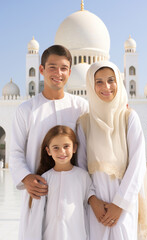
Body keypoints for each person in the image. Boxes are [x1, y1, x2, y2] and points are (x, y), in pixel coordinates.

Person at [9, 45, 88, 239]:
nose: (58, 73)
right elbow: (16, 151)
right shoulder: (26, 109)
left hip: (74, 194)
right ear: (42, 70)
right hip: (38, 191)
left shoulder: (80, 107)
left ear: (70, 72)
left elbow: (87, 150)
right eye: (52, 67)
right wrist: (26, 178)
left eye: (63, 68)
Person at [77, 61, 147, 240]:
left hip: (124, 203)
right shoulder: (85, 123)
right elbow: (80, 167)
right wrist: (93, 200)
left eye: (111, 80)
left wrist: (120, 204)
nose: (106, 87)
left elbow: (137, 163)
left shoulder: (128, 117)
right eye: (99, 82)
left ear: (119, 81)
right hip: (96, 206)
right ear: (91, 85)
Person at [22, 125, 94, 240]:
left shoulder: (83, 177)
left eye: (66, 146)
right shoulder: (44, 179)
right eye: (56, 147)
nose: (62, 151)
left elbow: (89, 211)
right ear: (48, 151)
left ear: (74, 148)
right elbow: (36, 216)